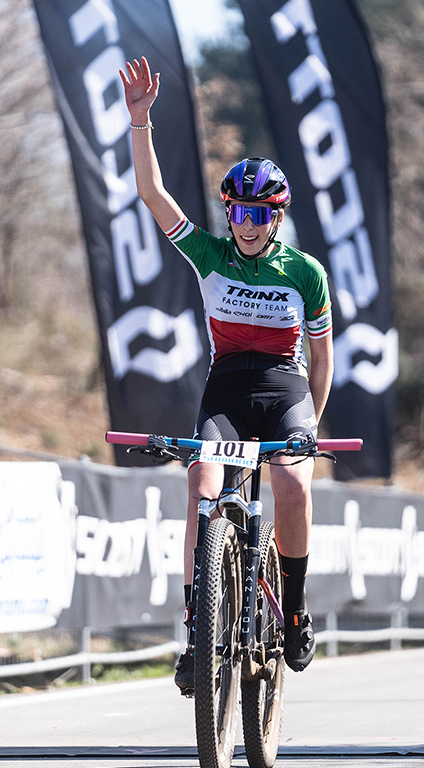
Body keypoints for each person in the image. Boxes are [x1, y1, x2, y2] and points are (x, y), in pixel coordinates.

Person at [120, 57, 333, 694]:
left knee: (293, 487)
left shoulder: (305, 273)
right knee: (201, 482)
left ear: (278, 217)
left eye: (259, 215)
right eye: (238, 213)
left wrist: (312, 429)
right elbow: (153, 195)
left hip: (285, 389)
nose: (246, 225)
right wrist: (140, 121)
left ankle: (293, 612)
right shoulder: (208, 255)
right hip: (228, 390)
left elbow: (320, 360)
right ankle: (197, 630)